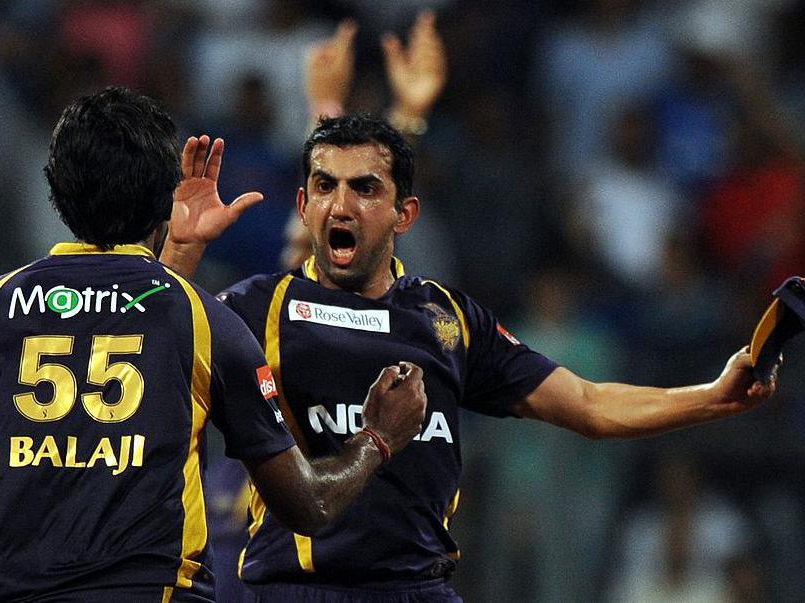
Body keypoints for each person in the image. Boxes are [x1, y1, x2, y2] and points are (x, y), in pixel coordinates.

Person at [160, 113, 777, 602]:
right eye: (325, 186)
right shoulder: (254, 308)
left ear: (406, 214)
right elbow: (154, 367)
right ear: (303, 206)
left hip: (420, 591)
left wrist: (712, 396)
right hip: (296, 591)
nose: (341, 205)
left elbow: (589, 404)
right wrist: (181, 254)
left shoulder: (447, 320)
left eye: (365, 189)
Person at [0, 87, 428, 603]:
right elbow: (308, 504)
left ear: (56, 190)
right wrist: (378, 438)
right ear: (163, 200)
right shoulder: (203, 320)